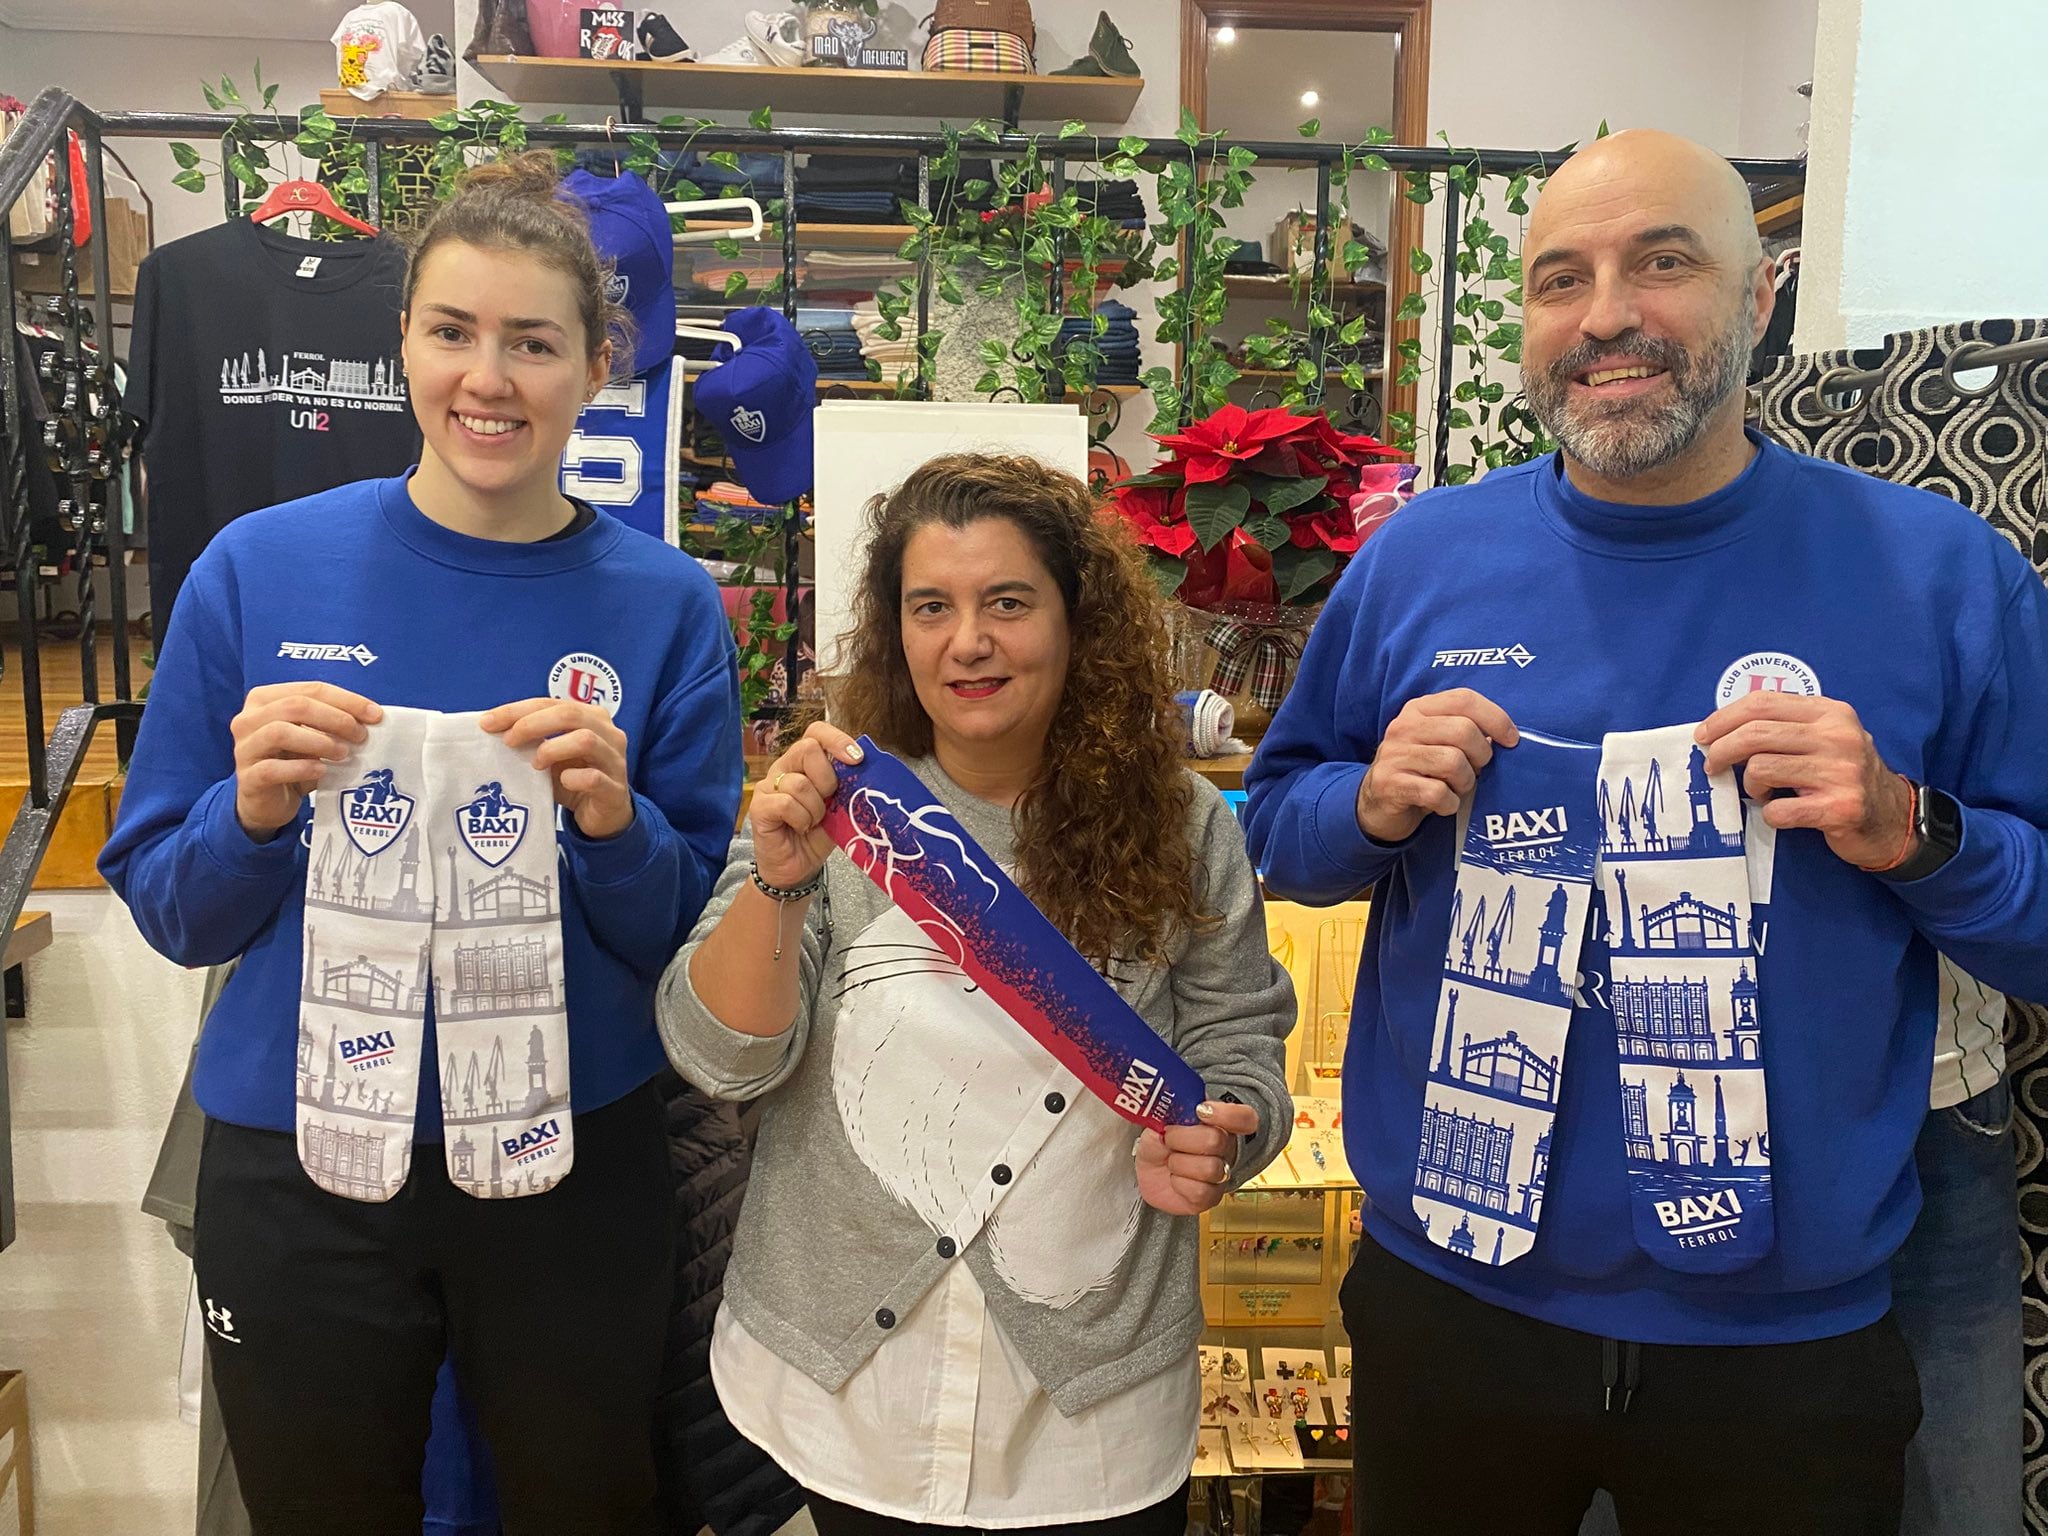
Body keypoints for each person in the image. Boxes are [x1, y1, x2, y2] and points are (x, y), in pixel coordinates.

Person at [1244, 128, 2048, 1535]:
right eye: (1562, 279)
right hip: (1454, 1310)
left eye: (1661, 262)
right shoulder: (1419, 562)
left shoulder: (1942, 578)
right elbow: (1279, 834)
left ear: (1761, 296)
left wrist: (1915, 828)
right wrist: (1366, 804)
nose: (1606, 312)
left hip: (1789, 1353)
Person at [101, 151, 743, 1535]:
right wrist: (250, 814)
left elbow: (691, 944)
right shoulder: (256, 571)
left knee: (593, 1509)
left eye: (532, 342)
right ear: (402, 343)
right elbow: (169, 904)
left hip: (576, 1161)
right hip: (298, 1158)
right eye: (452, 332)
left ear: (594, 369)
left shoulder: (668, 607)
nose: (488, 379)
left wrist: (617, 829)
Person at [658, 453, 1296, 1535]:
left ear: (1076, 616)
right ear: (894, 630)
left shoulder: (1185, 824)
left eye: (1007, 602)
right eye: (930, 607)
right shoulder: (845, 802)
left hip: (1087, 1397)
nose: (968, 642)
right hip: (849, 1382)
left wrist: (1223, 1137)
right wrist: (777, 875)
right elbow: (722, 1057)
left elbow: (1240, 1050)